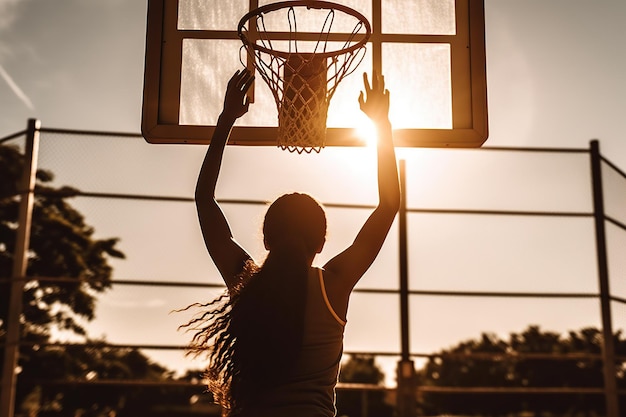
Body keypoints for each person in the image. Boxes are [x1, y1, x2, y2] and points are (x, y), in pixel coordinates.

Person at [184, 68, 400, 417]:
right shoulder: (333, 284)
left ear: (267, 238)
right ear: (321, 242)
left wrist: (227, 118)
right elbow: (389, 205)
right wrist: (381, 125)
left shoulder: (247, 283)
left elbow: (204, 200)